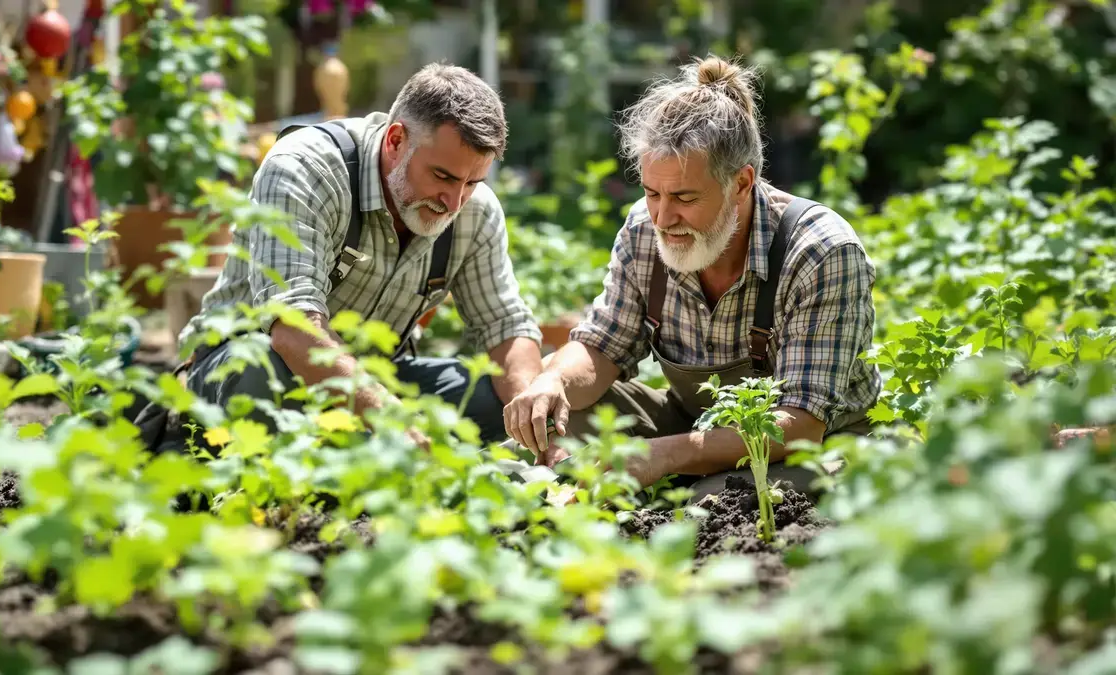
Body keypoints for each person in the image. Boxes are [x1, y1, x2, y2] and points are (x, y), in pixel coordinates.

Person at [502, 55, 882, 498]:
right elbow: (603, 345)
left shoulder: (819, 253)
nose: (663, 218)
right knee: (564, 417)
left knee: (720, 498)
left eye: (684, 197)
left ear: (741, 184)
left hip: (809, 445)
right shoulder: (644, 230)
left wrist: (663, 456)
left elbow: (800, 426)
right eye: (652, 193)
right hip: (690, 424)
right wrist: (554, 381)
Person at [174, 63, 544, 444]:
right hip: (254, 364)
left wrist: (530, 411)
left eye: (472, 182)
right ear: (396, 141)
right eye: (443, 177)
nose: (454, 202)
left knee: (493, 397)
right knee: (260, 373)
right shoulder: (306, 168)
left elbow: (505, 326)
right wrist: (391, 421)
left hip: (373, 382)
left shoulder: (475, 211)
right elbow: (293, 329)